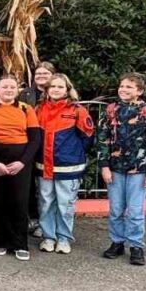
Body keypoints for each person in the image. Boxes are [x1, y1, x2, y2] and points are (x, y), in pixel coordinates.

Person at [98, 72, 146, 266]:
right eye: (122, 86)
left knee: (135, 210)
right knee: (116, 208)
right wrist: (104, 166)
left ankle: (136, 245)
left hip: (138, 170)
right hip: (115, 169)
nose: (123, 89)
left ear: (139, 91)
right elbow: (102, 140)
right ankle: (117, 242)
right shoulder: (111, 110)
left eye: (129, 87)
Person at [0, 74, 42, 261]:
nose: (8, 90)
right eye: (4, 87)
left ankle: (20, 244)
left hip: (21, 160)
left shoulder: (26, 109)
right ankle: (0, 241)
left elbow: (35, 139)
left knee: (19, 201)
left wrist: (23, 162)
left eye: (12, 87)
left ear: (17, 90)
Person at [35, 73, 94, 255]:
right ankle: (48, 238)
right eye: (52, 86)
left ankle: (63, 238)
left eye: (60, 86)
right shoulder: (38, 109)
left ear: (68, 89)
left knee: (65, 205)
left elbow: (88, 138)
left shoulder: (78, 111)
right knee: (45, 203)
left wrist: (72, 154)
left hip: (69, 168)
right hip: (43, 166)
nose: (56, 90)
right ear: (47, 89)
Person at [20, 61, 56, 237]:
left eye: (45, 73)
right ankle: (32, 218)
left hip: (50, 147)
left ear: (52, 75)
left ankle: (48, 221)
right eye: (38, 74)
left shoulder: (57, 92)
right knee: (29, 186)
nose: (41, 76)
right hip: (29, 144)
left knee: (47, 188)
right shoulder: (25, 94)